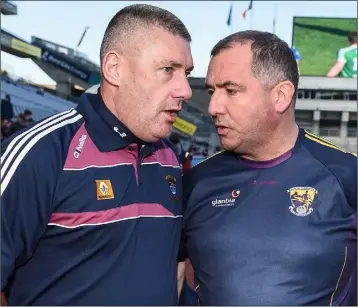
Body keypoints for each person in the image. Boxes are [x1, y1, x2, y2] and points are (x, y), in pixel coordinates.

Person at [1, 4, 193, 305]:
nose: (185, 90)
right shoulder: (42, 152)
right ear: (114, 68)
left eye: (187, 73)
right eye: (168, 70)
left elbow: (175, 267)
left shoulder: (170, 159)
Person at [180, 30, 357, 306]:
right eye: (212, 91)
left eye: (231, 90)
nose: (213, 106)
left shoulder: (346, 175)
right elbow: (179, 274)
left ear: (281, 96)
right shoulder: (196, 182)